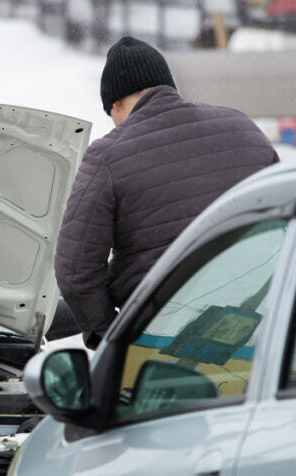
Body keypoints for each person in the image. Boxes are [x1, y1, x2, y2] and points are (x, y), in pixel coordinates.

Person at [54, 35, 278, 349]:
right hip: (261, 327)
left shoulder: (108, 155)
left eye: (112, 116)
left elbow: (75, 271)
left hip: (165, 338)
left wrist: (112, 339)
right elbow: (285, 221)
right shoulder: (243, 128)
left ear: (115, 104)